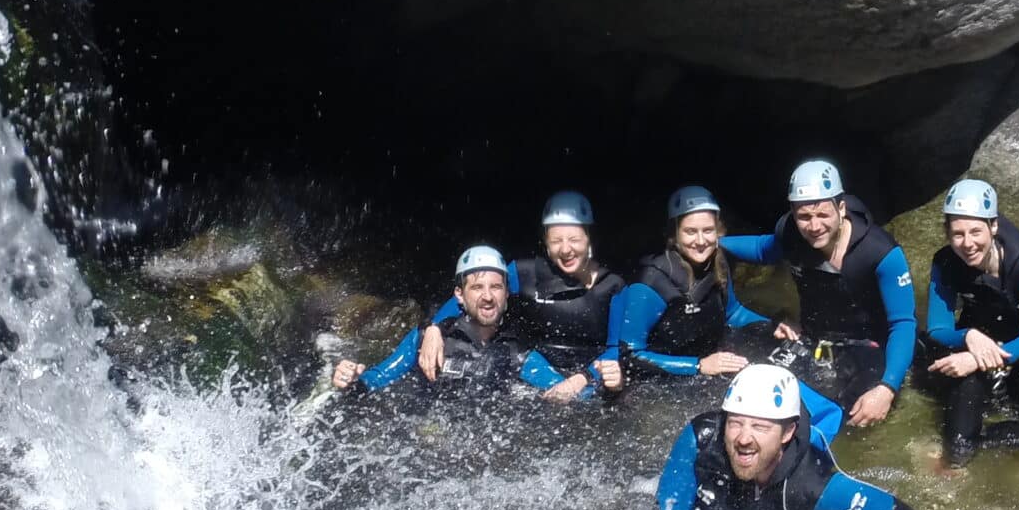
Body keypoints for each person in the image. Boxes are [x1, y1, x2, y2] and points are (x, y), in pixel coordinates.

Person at [720, 160, 915, 428]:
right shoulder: (791, 235)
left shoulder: (880, 253)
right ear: (792, 213)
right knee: (756, 394)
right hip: (814, 338)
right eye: (804, 216)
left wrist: (887, 388)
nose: (814, 226)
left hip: (869, 347)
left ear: (841, 208)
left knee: (853, 420)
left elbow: (903, 323)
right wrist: (709, 244)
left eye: (823, 215)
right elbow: (761, 250)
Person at [655, 365, 918, 510]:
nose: (744, 438)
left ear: (786, 433)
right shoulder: (703, 439)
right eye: (735, 423)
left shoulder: (815, 485)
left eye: (760, 427)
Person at [332, 246, 621, 402]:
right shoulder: (424, 340)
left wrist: (601, 384)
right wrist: (352, 381)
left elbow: (565, 393)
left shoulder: (517, 354)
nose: (487, 297)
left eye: (495, 287)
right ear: (459, 294)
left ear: (507, 294)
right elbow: (377, 380)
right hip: (421, 435)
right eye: (477, 288)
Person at [417, 190, 624, 397]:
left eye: (574, 239)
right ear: (545, 241)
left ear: (589, 238)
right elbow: (471, 299)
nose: (565, 249)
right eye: (556, 240)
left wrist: (584, 377)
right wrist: (433, 328)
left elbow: (618, 347)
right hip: (531, 372)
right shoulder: (524, 273)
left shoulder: (612, 286)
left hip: (585, 378)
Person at [923, 179, 1019, 464]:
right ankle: (954, 457)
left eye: (976, 232)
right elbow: (938, 329)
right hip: (973, 343)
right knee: (959, 441)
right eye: (957, 234)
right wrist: (967, 336)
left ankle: (982, 441)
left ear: (993, 226)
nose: (967, 244)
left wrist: (981, 359)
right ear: (947, 233)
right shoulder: (944, 262)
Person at [613, 186, 778, 380]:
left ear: (718, 231)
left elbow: (733, 314)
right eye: (690, 232)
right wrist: (698, 365)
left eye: (708, 230)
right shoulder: (651, 282)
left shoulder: (718, 262)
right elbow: (629, 355)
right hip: (662, 382)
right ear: (674, 236)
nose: (700, 241)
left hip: (708, 367)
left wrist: (772, 327)